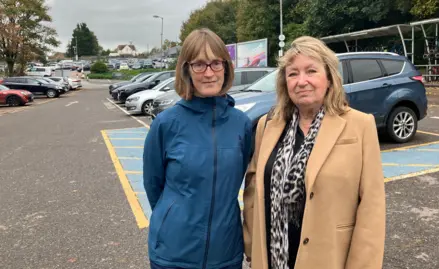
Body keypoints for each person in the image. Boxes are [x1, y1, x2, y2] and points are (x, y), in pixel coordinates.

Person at [243, 36, 386, 269]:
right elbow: (252, 191)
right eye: (293, 74)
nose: (302, 81)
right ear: (284, 83)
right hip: (272, 259)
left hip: (330, 260)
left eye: (311, 71)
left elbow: (372, 208)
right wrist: (251, 244)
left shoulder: (359, 125)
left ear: (329, 78)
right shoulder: (267, 126)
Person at [143, 28, 252, 269]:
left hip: (225, 252)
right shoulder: (165, 124)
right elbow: (153, 185)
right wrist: (173, 219)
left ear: (226, 67)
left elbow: (243, 180)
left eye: (216, 63)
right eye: (199, 65)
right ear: (186, 70)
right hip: (173, 254)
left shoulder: (241, 124)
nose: (209, 73)